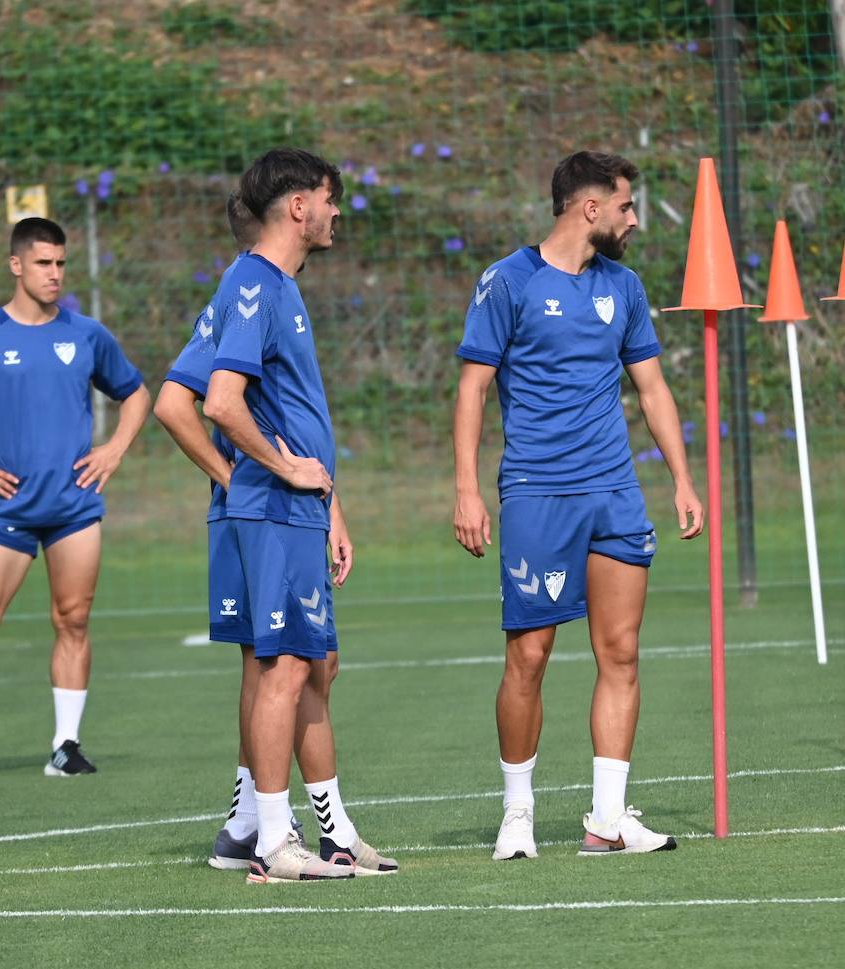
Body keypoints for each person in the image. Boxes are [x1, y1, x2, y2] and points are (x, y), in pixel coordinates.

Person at [452, 150, 705, 859]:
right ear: (588, 208)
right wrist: (468, 487)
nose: (634, 219)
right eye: (626, 205)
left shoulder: (623, 287)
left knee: (620, 652)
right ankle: (517, 815)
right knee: (529, 656)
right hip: (537, 492)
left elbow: (651, 388)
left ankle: (606, 819)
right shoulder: (507, 282)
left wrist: (683, 479)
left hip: (614, 493)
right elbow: (473, 388)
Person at [155, 192, 395, 878]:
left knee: (304, 665)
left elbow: (175, 403)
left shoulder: (257, 284)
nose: (338, 214)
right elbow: (217, 404)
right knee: (285, 668)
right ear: (298, 206)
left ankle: (274, 829)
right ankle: (271, 841)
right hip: (273, 512)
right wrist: (273, 472)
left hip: (281, 508)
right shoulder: (257, 284)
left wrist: (327, 502)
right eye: (329, 200)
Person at [0, 217, 150, 783]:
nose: (55, 274)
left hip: (74, 508)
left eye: (61, 264)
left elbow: (136, 393)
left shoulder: (86, 334)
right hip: (8, 509)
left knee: (74, 620)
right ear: (16, 265)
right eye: (43, 263)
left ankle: (66, 746)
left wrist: (114, 450)